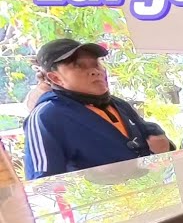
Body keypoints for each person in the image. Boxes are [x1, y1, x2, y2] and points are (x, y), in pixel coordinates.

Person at [23, 39, 172, 180]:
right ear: (56, 78)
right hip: (98, 205)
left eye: (96, 64)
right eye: (79, 66)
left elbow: (156, 144)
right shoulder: (46, 116)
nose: (95, 71)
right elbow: (43, 183)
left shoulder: (118, 104)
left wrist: (161, 146)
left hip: (149, 197)